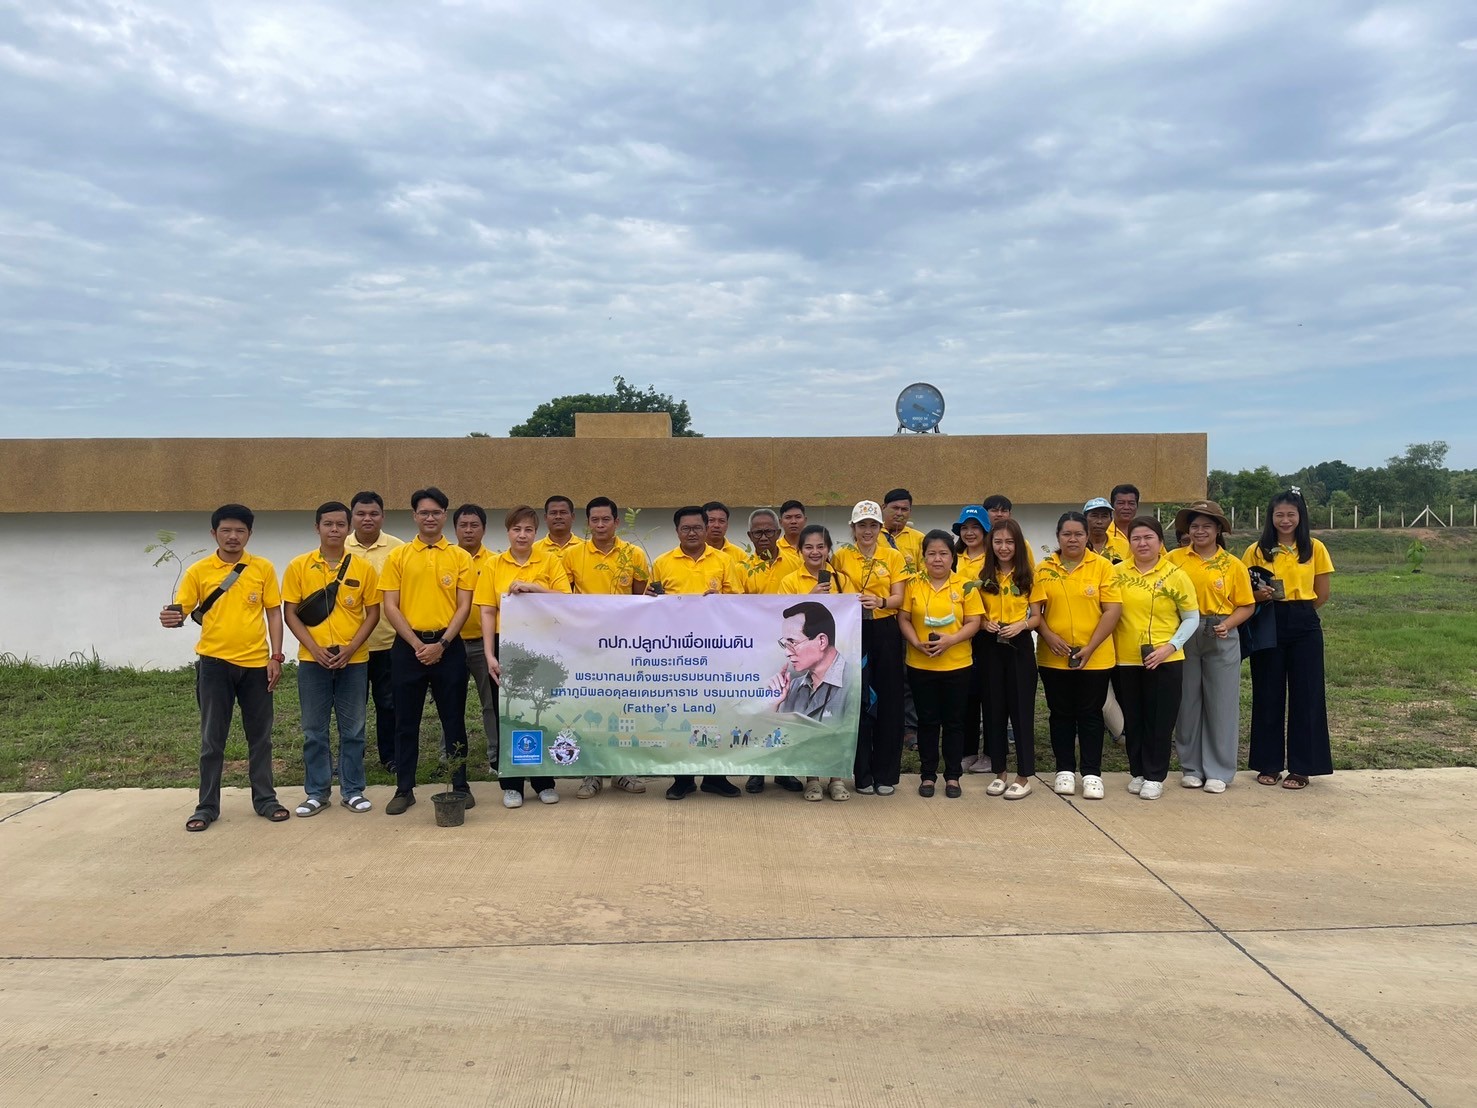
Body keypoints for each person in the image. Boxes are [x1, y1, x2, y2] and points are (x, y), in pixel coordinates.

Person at [159, 504, 288, 830]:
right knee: (212, 740)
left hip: (257, 666)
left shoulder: (262, 568)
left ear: (249, 534)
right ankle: (206, 807)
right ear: (214, 533)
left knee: (260, 738)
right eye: (226, 530)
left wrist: (276, 656)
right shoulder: (199, 571)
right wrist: (170, 618)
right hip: (215, 665)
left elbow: (274, 612)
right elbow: (182, 610)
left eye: (240, 531)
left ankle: (265, 799)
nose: (233, 536)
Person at [379, 487, 477, 816]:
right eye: (424, 512)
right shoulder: (399, 557)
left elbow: (464, 606)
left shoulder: (460, 557)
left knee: (454, 720)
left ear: (445, 515)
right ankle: (404, 788)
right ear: (414, 516)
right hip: (408, 649)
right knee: (406, 722)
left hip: (449, 647)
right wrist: (418, 644)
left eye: (436, 512)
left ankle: (460, 785)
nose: (430, 518)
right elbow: (390, 606)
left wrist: (442, 644)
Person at [282, 501, 381, 817]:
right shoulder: (299, 565)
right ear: (317, 527)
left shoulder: (362, 568)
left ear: (348, 527)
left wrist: (351, 648)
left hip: (354, 661)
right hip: (313, 661)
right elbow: (290, 613)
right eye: (328, 524)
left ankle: (352, 790)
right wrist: (313, 648)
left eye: (340, 524)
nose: (334, 529)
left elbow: (373, 613)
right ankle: (317, 792)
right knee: (314, 730)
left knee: (354, 730)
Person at [474, 505, 573, 808]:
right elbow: (487, 612)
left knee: (540, 712)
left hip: (542, 646)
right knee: (509, 715)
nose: (522, 535)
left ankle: (543, 781)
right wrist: (490, 655)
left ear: (535, 532)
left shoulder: (549, 561)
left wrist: (534, 588)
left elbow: (567, 600)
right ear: (508, 532)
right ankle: (511, 783)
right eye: (516, 529)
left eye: (528, 529)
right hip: (508, 647)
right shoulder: (493, 565)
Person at [650, 506, 744, 800]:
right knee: (681, 712)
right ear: (677, 531)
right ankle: (683, 777)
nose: (692, 533)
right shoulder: (663, 563)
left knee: (717, 711)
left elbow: (741, 602)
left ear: (707, 529)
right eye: (685, 528)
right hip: (677, 652)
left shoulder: (725, 561)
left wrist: (722, 600)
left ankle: (716, 777)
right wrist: (651, 599)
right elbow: (649, 607)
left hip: (716, 651)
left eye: (697, 528)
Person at [1243, 490, 1335, 790]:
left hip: (1304, 621)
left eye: (1291, 515)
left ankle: (1301, 767)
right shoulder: (1256, 550)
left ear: (1300, 517)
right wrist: (1260, 597)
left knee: (1306, 694)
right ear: (1271, 517)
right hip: (1268, 619)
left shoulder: (1315, 548)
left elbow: (1321, 594)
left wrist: (1299, 611)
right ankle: (1268, 764)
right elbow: (1245, 591)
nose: (1285, 520)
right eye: (1279, 515)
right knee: (1268, 692)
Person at [561, 496, 650, 799]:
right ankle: (591, 773)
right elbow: (561, 598)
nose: (600, 525)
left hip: (623, 646)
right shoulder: (573, 555)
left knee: (623, 707)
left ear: (617, 522)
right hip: (586, 646)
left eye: (606, 520)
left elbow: (641, 600)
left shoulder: (633, 554)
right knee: (590, 707)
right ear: (588, 523)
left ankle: (623, 770)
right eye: (595, 520)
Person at [1030, 512, 1123, 799]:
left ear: (1086, 536)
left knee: (1091, 714)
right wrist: (1048, 635)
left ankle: (1092, 773)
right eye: (1066, 534)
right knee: (1060, 714)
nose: (1073, 539)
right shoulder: (1043, 568)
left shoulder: (1103, 567)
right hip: (1053, 656)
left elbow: (1113, 611)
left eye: (1078, 534)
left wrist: (1091, 647)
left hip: (1095, 656)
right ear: (1058, 537)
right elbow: (1036, 612)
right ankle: (1064, 770)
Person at [1169, 500, 1255, 794]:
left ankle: (1219, 770)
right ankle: (1191, 767)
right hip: (1183, 632)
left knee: (1221, 702)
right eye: (1194, 526)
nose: (1200, 531)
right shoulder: (1173, 559)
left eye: (1207, 525)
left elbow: (1246, 605)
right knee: (1187, 701)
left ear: (1219, 529)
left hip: (1220, 632)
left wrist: (1229, 624)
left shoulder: (1233, 565)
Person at [1111, 517, 1199, 801]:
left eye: (1148, 537)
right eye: (1136, 538)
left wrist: (1170, 647)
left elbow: (1191, 618)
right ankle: (1138, 771)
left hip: (1165, 659)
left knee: (1160, 719)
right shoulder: (1117, 573)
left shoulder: (1175, 575)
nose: (1142, 543)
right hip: (1125, 658)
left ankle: (1155, 775)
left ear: (1160, 542)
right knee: (1133, 719)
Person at [898, 530, 983, 798]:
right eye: (932, 553)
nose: (937, 559)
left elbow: (974, 622)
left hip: (957, 665)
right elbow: (904, 618)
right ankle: (928, 775)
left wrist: (951, 641)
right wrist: (915, 642)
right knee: (927, 722)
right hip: (921, 665)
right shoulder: (913, 584)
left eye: (943, 553)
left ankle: (953, 776)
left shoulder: (965, 585)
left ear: (952, 557)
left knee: (955, 722)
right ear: (923, 557)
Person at [831, 500, 907, 796]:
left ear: (880, 527)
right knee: (857, 699)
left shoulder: (893, 556)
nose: (867, 531)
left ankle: (885, 773)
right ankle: (861, 773)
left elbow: (900, 597)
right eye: (861, 525)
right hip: (853, 631)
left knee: (888, 699)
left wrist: (882, 601)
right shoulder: (840, 556)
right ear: (852, 528)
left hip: (885, 629)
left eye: (873, 525)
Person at [778, 526, 852, 801]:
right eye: (808, 547)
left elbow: (851, 615)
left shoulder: (843, 579)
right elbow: (782, 612)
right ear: (799, 552)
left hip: (835, 655)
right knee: (807, 716)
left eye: (821, 546)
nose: (815, 552)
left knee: (840, 717)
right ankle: (811, 778)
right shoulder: (789, 581)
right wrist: (811, 594)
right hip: (809, 660)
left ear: (828, 549)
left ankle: (836, 778)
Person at [978, 518, 1039, 799]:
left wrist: (1022, 625)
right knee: (993, 710)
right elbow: (975, 615)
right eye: (998, 542)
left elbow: (1037, 616)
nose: (1004, 547)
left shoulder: (1028, 576)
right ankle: (999, 772)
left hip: (1020, 646)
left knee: (1021, 711)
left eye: (1010, 542)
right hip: (991, 646)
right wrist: (984, 624)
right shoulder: (983, 576)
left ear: (1019, 545)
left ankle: (1024, 775)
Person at [346, 491, 404, 773]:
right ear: (351, 517)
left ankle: (390, 757)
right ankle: (350, 759)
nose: (367, 519)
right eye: (361, 513)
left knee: (389, 703)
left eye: (373, 513)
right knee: (350, 707)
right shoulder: (338, 547)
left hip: (389, 641)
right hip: (348, 645)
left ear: (383, 516)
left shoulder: (399, 548)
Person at [452, 504, 499, 773]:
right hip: (451, 645)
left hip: (485, 644)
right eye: (463, 525)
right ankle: (452, 758)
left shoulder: (494, 562)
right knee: (450, 702)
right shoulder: (447, 558)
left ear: (483, 528)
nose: (468, 530)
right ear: (455, 528)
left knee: (491, 703)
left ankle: (495, 756)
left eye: (474, 525)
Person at [951, 506, 993, 774]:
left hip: (989, 634)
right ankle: (967, 751)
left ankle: (990, 753)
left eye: (975, 527)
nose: (969, 532)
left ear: (986, 530)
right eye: (964, 528)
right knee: (966, 695)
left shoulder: (994, 558)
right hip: (960, 634)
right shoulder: (953, 558)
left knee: (989, 695)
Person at [736, 508, 802, 596]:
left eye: (769, 532)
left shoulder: (797, 564)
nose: (763, 538)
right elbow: (737, 605)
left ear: (778, 533)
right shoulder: (740, 570)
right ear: (750, 536)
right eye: (758, 533)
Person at [982, 494, 1036, 567]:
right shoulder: (978, 541)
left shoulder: (1022, 543)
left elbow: (1031, 569)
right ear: (985, 513)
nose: (999, 514)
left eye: (1004, 511)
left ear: (1010, 514)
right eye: (994, 510)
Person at [881, 488, 925, 569]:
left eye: (904, 509)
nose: (899, 513)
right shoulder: (873, 536)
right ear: (884, 508)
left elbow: (924, 572)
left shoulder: (919, 538)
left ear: (910, 512)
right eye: (895, 508)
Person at [533, 495, 581, 559]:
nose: (558, 517)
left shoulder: (585, 547)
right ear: (545, 517)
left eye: (563, 512)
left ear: (572, 517)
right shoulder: (534, 549)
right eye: (553, 513)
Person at [1084, 497, 1127, 564]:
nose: (1099, 521)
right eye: (1094, 516)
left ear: (1111, 520)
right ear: (1084, 519)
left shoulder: (1124, 545)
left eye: (1104, 516)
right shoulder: (1077, 545)